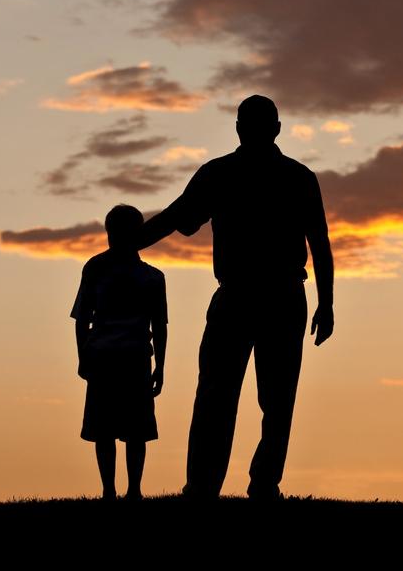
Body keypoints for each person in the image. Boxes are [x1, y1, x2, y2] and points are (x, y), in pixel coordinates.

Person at [135, 94, 334, 502]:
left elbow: (176, 217)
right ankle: (236, 485)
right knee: (247, 397)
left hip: (259, 296)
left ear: (241, 128)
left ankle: (231, 485)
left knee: (234, 396)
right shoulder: (285, 176)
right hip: (264, 297)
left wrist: (326, 302)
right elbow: (320, 244)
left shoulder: (230, 174)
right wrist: (326, 302)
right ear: (273, 129)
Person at [71, 203, 169, 501]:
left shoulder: (148, 276)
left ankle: (124, 491)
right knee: (118, 429)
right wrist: (83, 356)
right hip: (117, 357)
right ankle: (117, 490)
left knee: (123, 428)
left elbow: (81, 319)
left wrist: (83, 356)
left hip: (125, 357)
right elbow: (83, 317)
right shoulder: (140, 275)